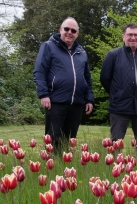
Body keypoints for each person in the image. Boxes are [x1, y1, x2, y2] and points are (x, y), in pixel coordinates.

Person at [34, 17, 94, 154]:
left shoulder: (82, 52)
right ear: (60, 30)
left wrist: (89, 98)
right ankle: (52, 170)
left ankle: (66, 171)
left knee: (69, 140)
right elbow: (39, 71)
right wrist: (43, 94)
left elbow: (87, 78)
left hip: (77, 104)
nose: (69, 32)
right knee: (53, 139)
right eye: (66, 29)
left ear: (77, 34)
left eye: (73, 30)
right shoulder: (48, 47)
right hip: (56, 102)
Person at [100, 23, 137, 158]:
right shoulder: (113, 55)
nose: (133, 38)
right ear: (123, 36)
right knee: (116, 141)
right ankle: (113, 168)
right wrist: (117, 93)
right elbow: (105, 79)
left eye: (136, 35)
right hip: (119, 106)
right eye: (130, 35)